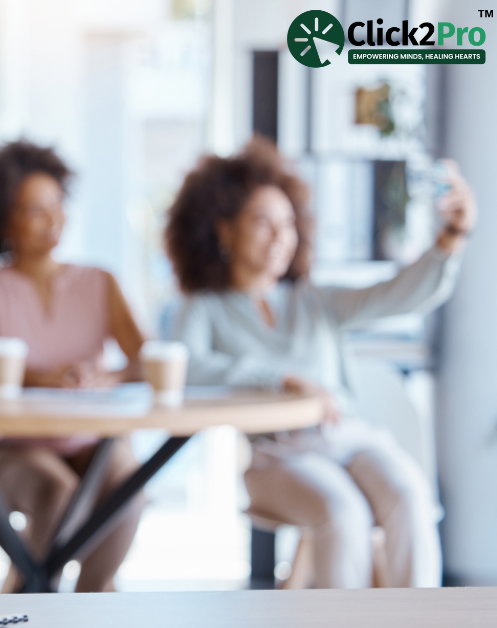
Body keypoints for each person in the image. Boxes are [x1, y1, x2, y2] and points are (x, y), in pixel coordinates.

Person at [165, 137, 476, 588]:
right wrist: (280, 378)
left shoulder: (314, 301)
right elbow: (188, 370)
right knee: (342, 513)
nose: (280, 236)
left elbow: (399, 296)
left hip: (347, 436)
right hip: (277, 456)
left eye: (288, 223)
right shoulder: (205, 306)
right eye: (262, 222)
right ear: (224, 230)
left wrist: (451, 237)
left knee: (409, 494)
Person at [0, 140, 146, 592]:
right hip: (13, 446)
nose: (53, 220)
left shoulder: (100, 281)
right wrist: (41, 377)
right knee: (56, 493)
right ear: (2, 219)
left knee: (129, 485)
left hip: (88, 441)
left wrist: (107, 376)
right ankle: (32, 595)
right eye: (34, 210)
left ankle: (89, 599)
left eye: (57, 204)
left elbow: (146, 361)